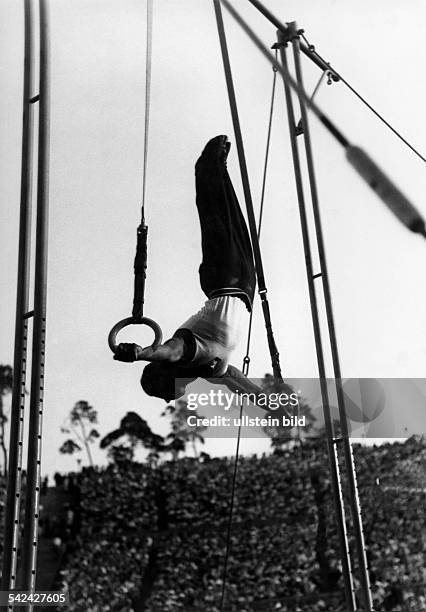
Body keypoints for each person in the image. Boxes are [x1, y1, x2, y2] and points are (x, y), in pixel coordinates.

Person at [114, 135, 260, 402]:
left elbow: (167, 352)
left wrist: (139, 353)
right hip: (244, 287)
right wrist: (272, 407)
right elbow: (238, 383)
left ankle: (206, 165)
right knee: (233, 219)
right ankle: (220, 167)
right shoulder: (207, 368)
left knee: (214, 215)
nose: (173, 399)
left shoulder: (183, 353)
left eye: (166, 394)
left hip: (223, 279)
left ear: (165, 377)